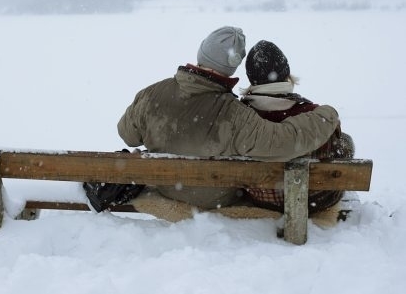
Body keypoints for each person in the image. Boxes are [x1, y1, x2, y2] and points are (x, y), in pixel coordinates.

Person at [117, 26, 341, 212]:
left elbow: (127, 136)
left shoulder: (151, 94)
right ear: (232, 66)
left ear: (201, 53)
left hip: (165, 187)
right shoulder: (233, 114)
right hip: (212, 200)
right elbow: (283, 141)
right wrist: (327, 115)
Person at [241, 40, 355, 215]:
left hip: (259, 199)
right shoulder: (311, 116)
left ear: (251, 77)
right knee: (345, 142)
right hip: (315, 199)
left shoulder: (240, 115)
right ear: (286, 74)